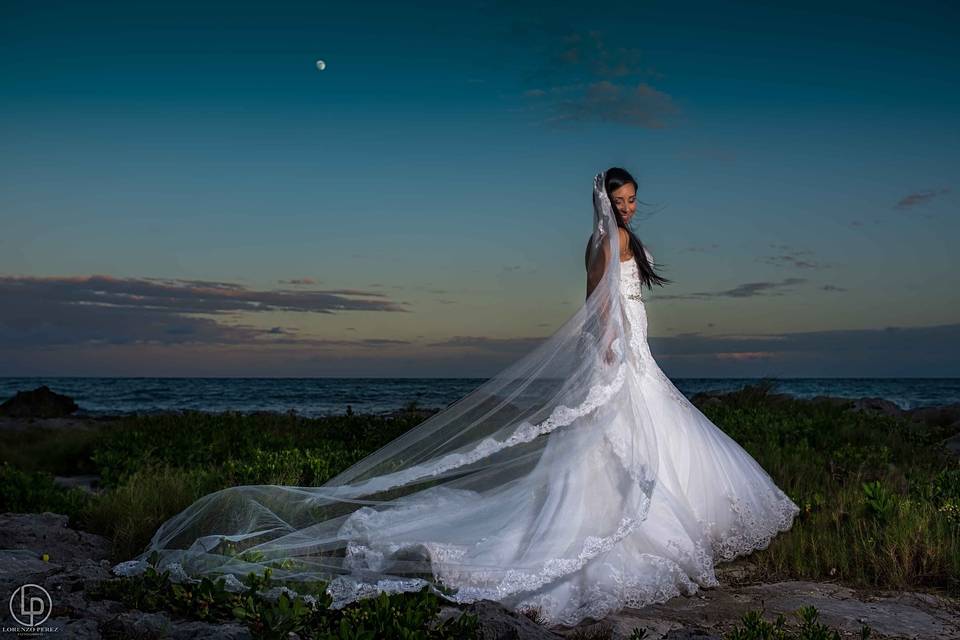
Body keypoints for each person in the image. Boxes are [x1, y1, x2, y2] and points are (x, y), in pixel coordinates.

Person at [113, 168, 800, 628]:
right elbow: (595, 304)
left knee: (647, 437)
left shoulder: (624, 236)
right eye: (620, 198)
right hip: (620, 350)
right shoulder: (604, 239)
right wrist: (612, 344)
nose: (629, 206)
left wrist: (627, 331)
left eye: (633, 198)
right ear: (604, 201)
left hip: (637, 347)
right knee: (613, 442)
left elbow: (619, 294)